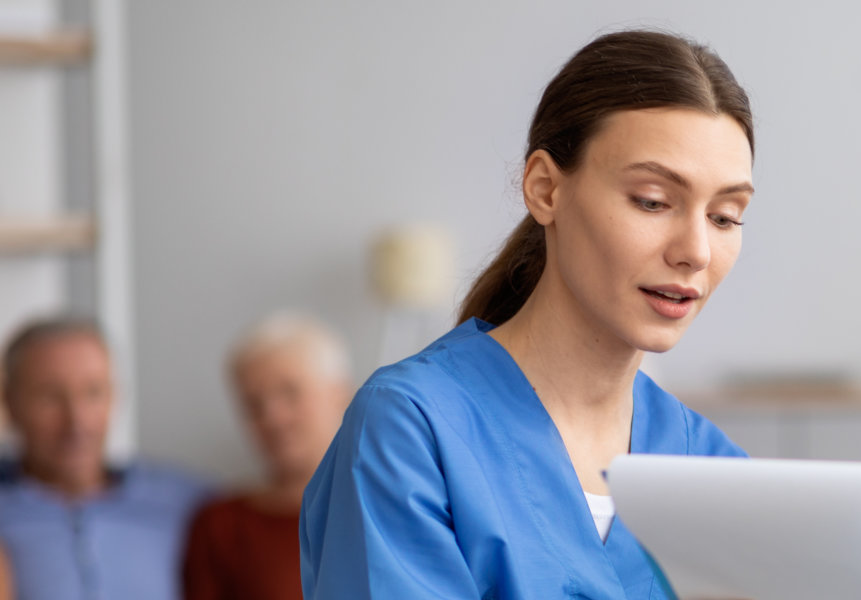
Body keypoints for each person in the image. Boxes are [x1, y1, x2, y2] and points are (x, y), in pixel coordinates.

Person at [300, 29, 754, 599]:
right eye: (653, 201)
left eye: (726, 216)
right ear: (544, 189)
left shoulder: (713, 468)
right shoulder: (411, 430)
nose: (696, 251)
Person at [0, 317, 209, 600]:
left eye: (93, 393)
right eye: (50, 397)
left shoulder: (186, 504)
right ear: (9, 403)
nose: (77, 421)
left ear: (115, 397)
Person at [183, 311, 351, 600]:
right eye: (253, 404)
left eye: (290, 392)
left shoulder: (389, 507)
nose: (272, 417)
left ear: (341, 394)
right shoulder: (222, 526)